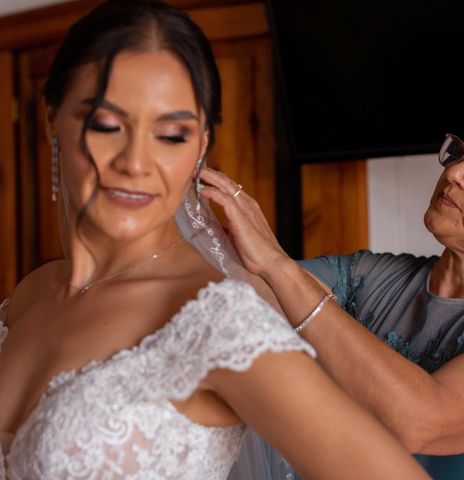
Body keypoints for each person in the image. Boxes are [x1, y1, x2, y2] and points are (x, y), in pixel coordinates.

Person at [0, 2, 432, 479]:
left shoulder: (214, 320)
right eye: (106, 125)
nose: (136, 162)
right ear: (52, 120)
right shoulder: (28, 296)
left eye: (171, 134)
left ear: (202, 145)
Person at [202, 95, 464, 479]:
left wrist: (279, 265)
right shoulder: (372, 276)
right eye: (460, 154)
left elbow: (422, 422)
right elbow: (228, 289)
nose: (452, 173)